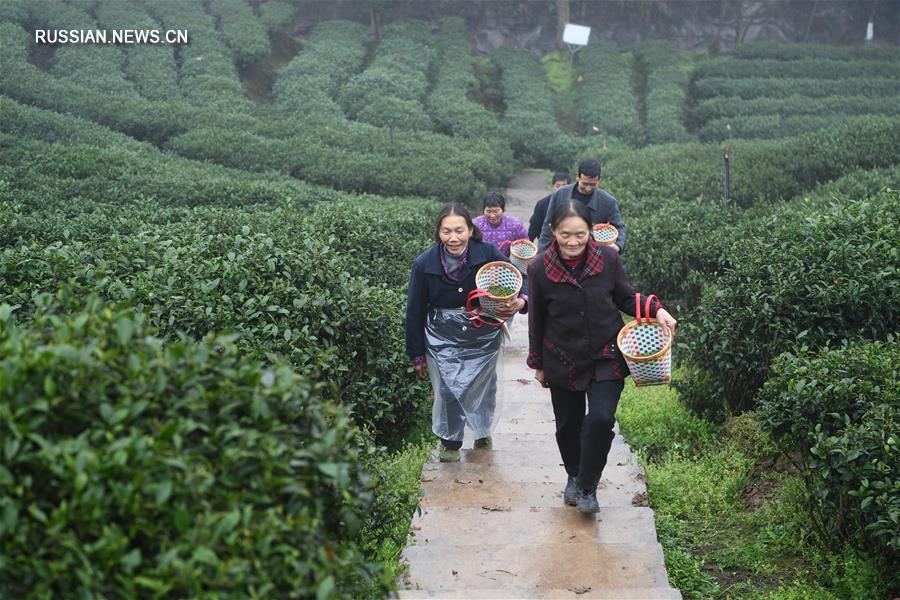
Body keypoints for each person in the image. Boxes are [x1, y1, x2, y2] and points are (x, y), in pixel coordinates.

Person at [526, 201, 676, 513]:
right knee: (567, 425)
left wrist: (655, 309)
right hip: (561, 356)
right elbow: (537, 318)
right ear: (553, 231)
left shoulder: (607, 258)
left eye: (580, 234)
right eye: (565, 234)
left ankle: (587, 487)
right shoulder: (539, 267)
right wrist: (537, 362)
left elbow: (624, 296)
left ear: (590, 232)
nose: (572, 241)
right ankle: (573, 474)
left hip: (606, 353)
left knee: (601, 419)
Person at [406, 203, 528, 462]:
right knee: (449, 387)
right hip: (442, 334)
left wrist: (522, 300)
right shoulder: (424, 264)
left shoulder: (487, 252)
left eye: (459, 230)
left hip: (481, 331)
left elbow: (518, 277)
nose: (453, 238)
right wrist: (416, 354)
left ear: (470, 230)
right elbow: (414, 310)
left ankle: (482, 432)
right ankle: (451, 441)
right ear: (438, 233)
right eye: (446, 231)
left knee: (484, 383)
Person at [537, 160, 625, 254]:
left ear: (599, 180)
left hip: (592, 255)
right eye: (585, 183)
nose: (588, 188)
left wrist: (618, 246)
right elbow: (548, 225)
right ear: (577, 176)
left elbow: (619, 226)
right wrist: (541, 254)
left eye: (593, 184)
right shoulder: (560, 194)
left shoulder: (608, 201)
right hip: (562, 251)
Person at [528, 171, 572, 241]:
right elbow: (534, 228)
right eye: (558, 186)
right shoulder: (542, 204)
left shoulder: (575, 204)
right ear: (553, 186)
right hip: (547, 243)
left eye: (564, 186)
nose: (560, 189)